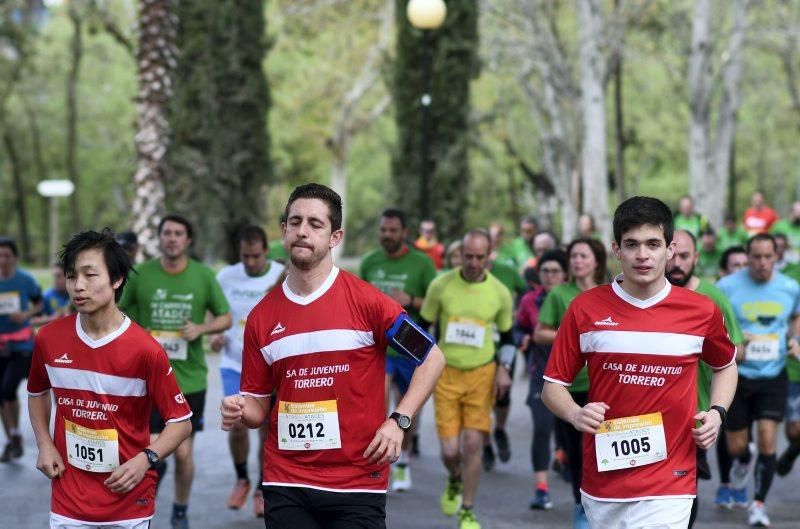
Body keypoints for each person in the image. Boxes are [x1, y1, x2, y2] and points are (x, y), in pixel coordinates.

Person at [220, 183, 445, 529]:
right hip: (287, 479)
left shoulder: (369, 303)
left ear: (335, 237)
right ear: (283, 231)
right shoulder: (262, 317)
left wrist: (399, 420)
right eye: (294, 222)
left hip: (357, 480)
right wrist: (239, 408)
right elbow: (257, 408)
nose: (302, 231)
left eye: (315, 223)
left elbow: (432, 358)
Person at [543, 196, 737, 529]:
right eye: (632, 244)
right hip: (604, 478)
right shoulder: (585, 308)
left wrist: (717, 413)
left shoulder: (701, 311)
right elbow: (552, 387)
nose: (643, 255)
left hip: (671, 478)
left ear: (670, 249)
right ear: (616, 249)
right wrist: (576, 413)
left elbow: (726, 365)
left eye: (653, 244)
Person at [28, 229, 192, 529]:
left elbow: (180, 422)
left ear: (116, 280)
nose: (78, 286)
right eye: (71, 275)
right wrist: (44, 444)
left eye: (90, 276)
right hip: (68, 500)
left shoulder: (145, 350)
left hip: (129, 502)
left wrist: (145, 459)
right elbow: (37, 392)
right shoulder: (49, 339)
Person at [119, 214, 232, 529]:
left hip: (189, 379)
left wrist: (201, 328)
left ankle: (180, 509)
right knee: (151, 447)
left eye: (178, 233)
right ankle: (141, 510)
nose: (171, 238)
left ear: (188, 240)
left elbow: (225, 317)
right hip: (146, 380)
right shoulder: (141, 275)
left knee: (182, 454)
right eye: (166, 233)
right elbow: (117, 311)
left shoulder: (203, 275)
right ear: (159, 238)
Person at [420, 229, 514, 529]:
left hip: (482, 373)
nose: (473, 263)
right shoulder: (441, 285)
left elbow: (509, 338)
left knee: (473, 445)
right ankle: (454, 478)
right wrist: (420, 366)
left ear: (489, 256)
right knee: (450, 451)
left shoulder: (499, 292)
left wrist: (505, 369)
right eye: (468, 256)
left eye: (480, 257)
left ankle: (468, 510)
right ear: (460, 255)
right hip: (446, 373)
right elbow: (422, 327)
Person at [717, 232, 800, 527]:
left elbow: (795, 318)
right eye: (757, 257)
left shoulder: (790, 288)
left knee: (767, 438)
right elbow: (715, 324)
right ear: (748, 257)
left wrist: (794, 339)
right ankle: (742, 459)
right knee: (737, 447)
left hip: (773, 374)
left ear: (776, 257)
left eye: (768, 257)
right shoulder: (727, 287)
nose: (763, 263)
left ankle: (758, 505)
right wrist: (736, 341)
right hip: (737, 376)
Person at [665, 229, 745, 523]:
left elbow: (734, 353)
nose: (677, 263)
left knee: (685, 489)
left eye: (685, 256)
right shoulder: (646, 295)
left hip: (693, 412)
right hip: (645, 414)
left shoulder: (712, 298)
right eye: (673, 255)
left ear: (696, 258)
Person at [359, 207, 437, 492]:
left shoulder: (422, 263)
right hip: (377, 347)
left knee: (408, 407)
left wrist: (411, 300)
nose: (387, 235)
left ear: (404, 233)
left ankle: (403, 456)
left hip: (410, 347)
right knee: (377, 401)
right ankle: (377, 461)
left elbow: (435, 302)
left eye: (393, 230)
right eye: (383, 230)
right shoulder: (369, 262)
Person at [210, 225, 285, 516]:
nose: (251, 262)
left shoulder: (279, 275)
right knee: (239, 423)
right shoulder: (226, 276)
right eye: (245, 256)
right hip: (234, 363)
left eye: (255, 256)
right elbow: (216, 313)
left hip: (267, 366)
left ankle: (262, 488)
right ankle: (241, 478)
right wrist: (215, 336)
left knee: (266, 429)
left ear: (266, 251)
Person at [533, 237, 607, 529]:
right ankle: (581, 507)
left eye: (583, 256)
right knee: (578, 452)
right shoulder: (559, 294)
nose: (576, 261)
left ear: (597, 260)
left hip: (604, 384)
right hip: (569, 388)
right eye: (573, 256)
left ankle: (605, 505)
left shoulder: (609, 293)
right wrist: (577, 338)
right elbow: (540, 333)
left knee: (606, 449)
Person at [517, 250, 568, 510]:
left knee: (567, 430)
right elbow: (519, 328)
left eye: (554, 271)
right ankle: (541, 488)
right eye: (545, 271)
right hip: (541, 373)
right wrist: (522, 338)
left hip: (573, 376)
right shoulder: (529, 301)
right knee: (541, 427)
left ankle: (564, 455)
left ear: (565, 274)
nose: (549, 276)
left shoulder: (575, 299)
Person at [0, 236, 43, 462]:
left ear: (15, 258)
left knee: (6, 390)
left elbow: (39, 304)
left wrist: (25, 315)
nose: (3, 260)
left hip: (21, 344)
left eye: (7, 255)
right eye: (0, 255)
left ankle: (15, 435)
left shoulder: (25, 280)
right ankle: (11, 440)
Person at [31, 262, 71, 326]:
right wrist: (53, 318)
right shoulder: (46, 296)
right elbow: (31, 321)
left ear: (68, 276)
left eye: (59, 276)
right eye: (54, 276)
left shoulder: (75, 294)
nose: (55, 280)